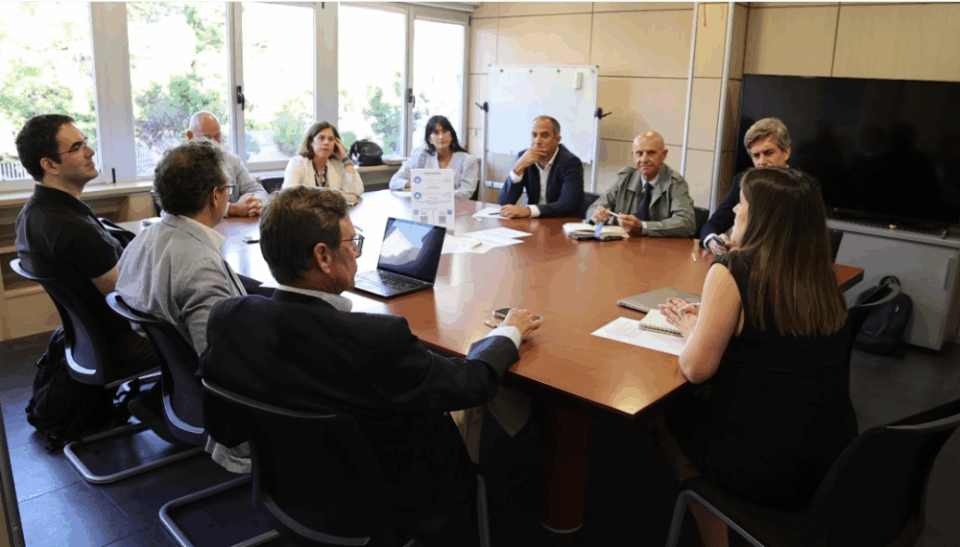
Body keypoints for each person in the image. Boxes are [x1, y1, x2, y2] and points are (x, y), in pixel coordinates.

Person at [199, 186, 542, 546]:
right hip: (389, 504)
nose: (358, 254)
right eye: (352, 243)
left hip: (285, 493)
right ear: (323, 257)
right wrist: (507, 334)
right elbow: (473, 384)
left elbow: (225, 429)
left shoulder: (230, 318)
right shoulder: (378, 339)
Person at [654, 167, 856, 547]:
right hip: (836, 465)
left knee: (668, 417)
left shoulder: (733, 268)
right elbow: (774, 340)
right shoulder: (823, 275)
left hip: (767, 469)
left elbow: (696, 369)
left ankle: (716, 536)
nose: (734, 213)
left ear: (762, 217)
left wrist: (690, 329)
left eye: (742, 205)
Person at [117, 138, 252, 472]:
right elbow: (222, 364)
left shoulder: (144, 239)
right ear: (215, 197)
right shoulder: (200, 267)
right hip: (228, 418)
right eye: (228, 188)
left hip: (180, 387)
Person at [14, 114, 158, 371]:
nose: (91, 152)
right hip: (122, 341)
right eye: (77, 148)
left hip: (87, 340)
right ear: (50, 164)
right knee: (218, 326)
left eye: (85, 142)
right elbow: (132, 300)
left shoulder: (33, 212)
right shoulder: (72, 228)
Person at [700, 118, 797, 254]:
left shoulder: (804, 186)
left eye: (768, 153)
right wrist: (713, 241)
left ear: (786, 152)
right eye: (756, 155)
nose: (762, 162)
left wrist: (743, 247)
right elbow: (713, 224)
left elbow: (796, 241)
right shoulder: (742, 181)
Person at [586, 131, 695, 237]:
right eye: (639, 153)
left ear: (664, 155)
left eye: (651, 153)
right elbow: (594, 208)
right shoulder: (625, 178)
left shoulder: (676, 183)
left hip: (660, 251)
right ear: (633, 155)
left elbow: (686, 223)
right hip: (624, 248)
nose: (644, 159)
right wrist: (596, 215)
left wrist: (643, 227)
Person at [498, 116, 584, 218]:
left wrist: (528, 210)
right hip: (534, 223)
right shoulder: (524, 158)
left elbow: (567, 204)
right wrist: (518, 168)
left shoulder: (571, 163)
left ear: (557, 139)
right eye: (534, 135)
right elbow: (504, 202)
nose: (537, 141)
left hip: (560, 223)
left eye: (544, 135)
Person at [186, 111, 268, 217]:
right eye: (207, 138)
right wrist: (231, 209)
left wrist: (255, 202)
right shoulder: (181, 164)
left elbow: (258, 190)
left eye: (217, 136)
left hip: (234, 229)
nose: (214, 143)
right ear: (190, 136)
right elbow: (181, 207)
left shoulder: (232, 161)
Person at [389, 115, 479, 202]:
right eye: (436, 133)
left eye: (444, 131)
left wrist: (430, 192)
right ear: (430, 139)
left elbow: (465, 193)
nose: (441, 137)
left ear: (451, 134)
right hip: (423, 207)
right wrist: (415, 185)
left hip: (456, 209)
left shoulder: (468, 160)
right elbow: (394, 182)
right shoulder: (421, 156)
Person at [282, 121, 364, 206]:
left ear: (336, 144)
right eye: (321, 138)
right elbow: (289, 197)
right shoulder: (297, 163)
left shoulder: (338, 164)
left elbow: (355, 192)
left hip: (332, 216)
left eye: (331, 139)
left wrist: (346, 160)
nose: (326, 142)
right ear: (311, 143)